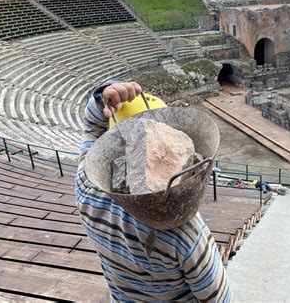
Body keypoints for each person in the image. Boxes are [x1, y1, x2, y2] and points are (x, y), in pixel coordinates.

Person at [76, 81, 232, 302]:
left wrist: (104, 96)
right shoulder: (185, 234)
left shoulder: (85, 187)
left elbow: (91, 128)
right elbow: (219, 298)